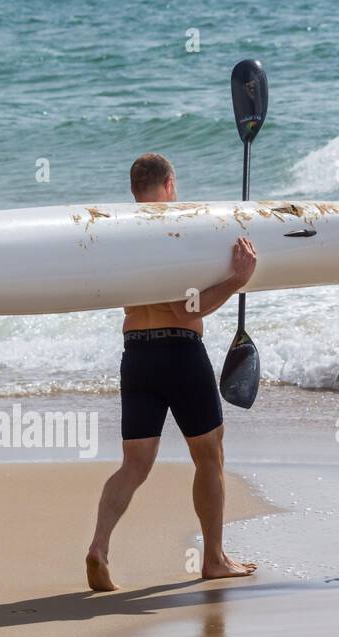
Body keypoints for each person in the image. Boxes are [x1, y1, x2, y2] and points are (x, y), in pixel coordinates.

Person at [85, 152, 259, 591]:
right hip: (180, 352)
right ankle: (214, 560)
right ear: (170, 184)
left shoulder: (117, 234)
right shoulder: (177, 227)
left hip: (136, 354)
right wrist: (237, 279)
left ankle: (100, 546)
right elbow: (187, 308)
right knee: (209, 455)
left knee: (135, 463)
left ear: (132, 190)